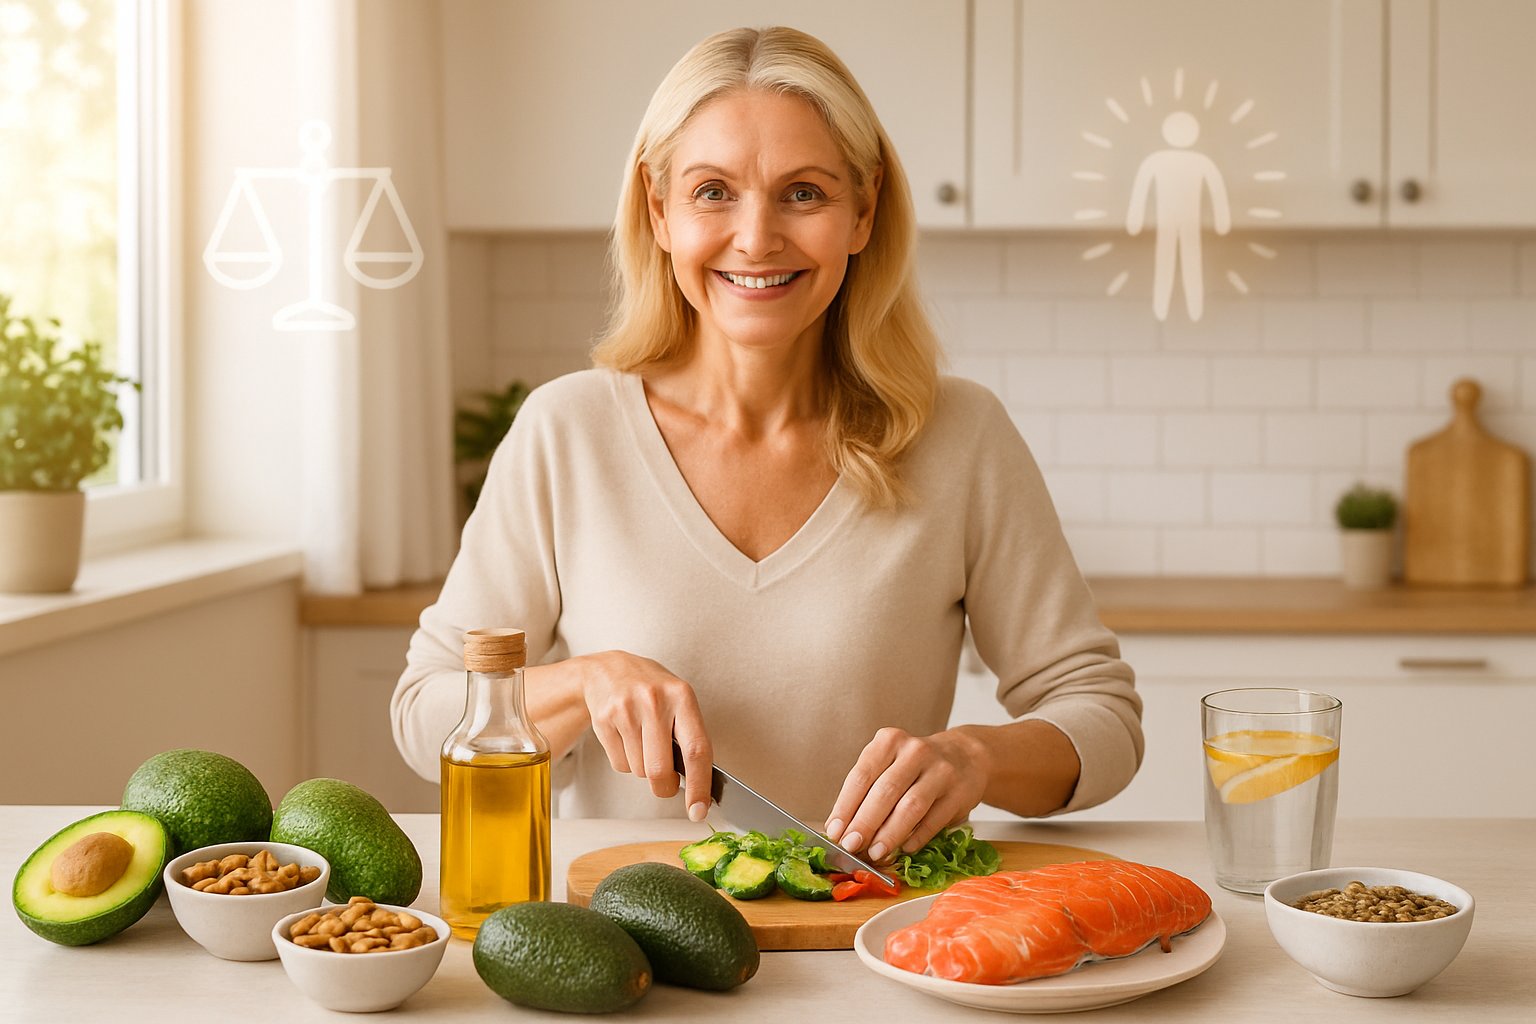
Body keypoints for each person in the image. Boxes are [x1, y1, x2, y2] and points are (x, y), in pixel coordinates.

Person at [393, 26, 1141, 865]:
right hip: (631, 955)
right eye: (713, 191)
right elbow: (428, 716)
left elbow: (1102, 717)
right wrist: (582, 680)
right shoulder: (566, 434)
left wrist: (978, 756)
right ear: (658, 209)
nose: (756, 238)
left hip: (882, 953)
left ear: (863, 210)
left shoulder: (961, 439)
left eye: (804, 194)